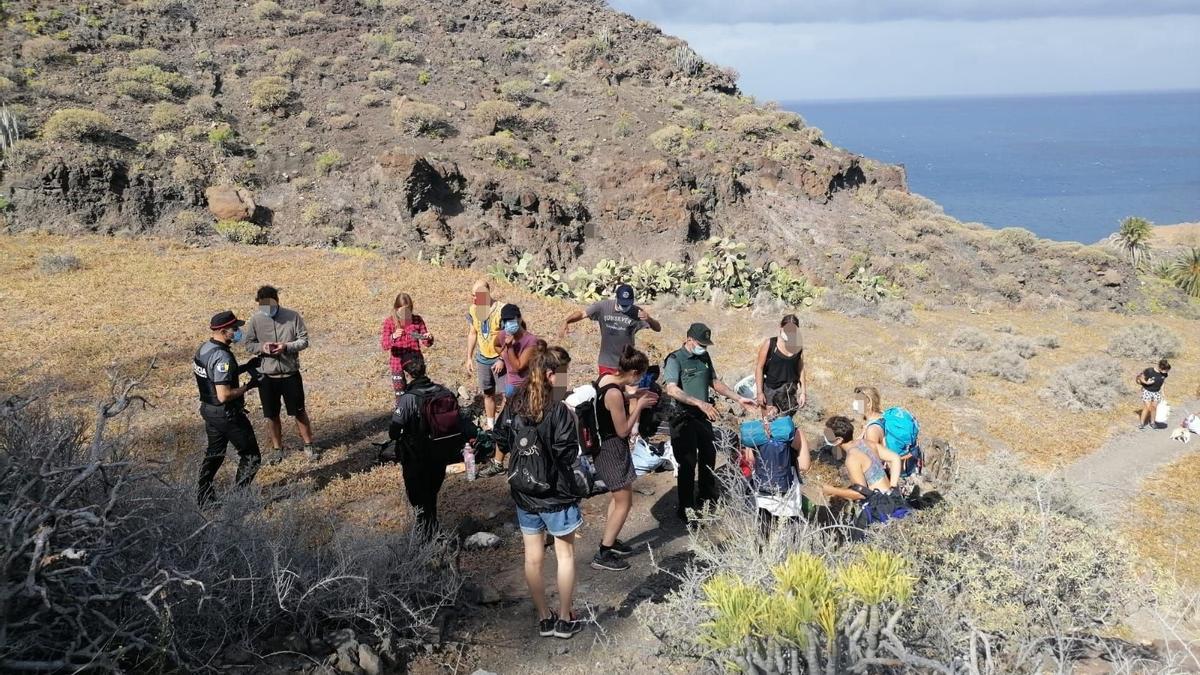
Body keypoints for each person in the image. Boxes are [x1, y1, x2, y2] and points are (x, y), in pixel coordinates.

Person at [494, 344, 587, 639]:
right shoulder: (558, 409)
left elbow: (500, 437)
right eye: (560, 376)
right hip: (556, 494)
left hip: (524, 491)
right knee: (565, 555)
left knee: (532, 558)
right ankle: (564, 617)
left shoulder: (515, 402)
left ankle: (544, 617)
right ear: (549, 375)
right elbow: (567, 452)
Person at [662, 322, 758, 526]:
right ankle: (686, 508)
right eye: (700, 344)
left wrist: (738, 398)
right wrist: (699, 403)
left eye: (706, 345)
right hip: (683, 418)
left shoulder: (704, 357)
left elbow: (714, 382)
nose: (704, 348)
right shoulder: (675, 359)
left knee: (709, 455)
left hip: (703, 417)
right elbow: (672, 389)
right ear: (689, 339)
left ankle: (706, 495)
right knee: (687, 463)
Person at [388, 353, 474, 538]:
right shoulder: (444, 391)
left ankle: (425, 537)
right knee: (431, 495)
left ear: (407, 374)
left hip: (418, 457)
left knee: (418, 500)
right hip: (442, 454)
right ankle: (433, 529)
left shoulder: (408, 399)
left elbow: (393, 431)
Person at [591, 345, 659, 572]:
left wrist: (633, 395)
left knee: (618, 497)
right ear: (635, 374)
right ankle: (604, 552)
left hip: (604, 446)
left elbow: (616, 395)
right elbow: (623, 430)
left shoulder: (607, 378)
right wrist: (638, 406)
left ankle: (611, 539)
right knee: (624, 502)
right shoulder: (613, 394)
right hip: (611, 449)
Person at [193, 311, 263, 505]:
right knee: (251, 456)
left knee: (215, 453)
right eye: (235, 329)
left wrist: (244, 366)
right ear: (223, 331)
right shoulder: (223, 357)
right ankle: (238, 499)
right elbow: (224, 395)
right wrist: (249, 386)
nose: (238, 332)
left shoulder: (204, 349)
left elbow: (213, 376)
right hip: (226, 414)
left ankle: (203, 496)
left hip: (209, 410)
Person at [243, 285, 317, 464]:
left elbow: (304, 340)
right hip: (268, 377)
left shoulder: (293, 316)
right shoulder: (255, 320)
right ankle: (278, 449)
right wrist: (263, 348)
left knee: (299, 411)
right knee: (272, 415)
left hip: (291, 374)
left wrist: (287, 347)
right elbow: (249, 345)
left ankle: (308, 445)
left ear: (277, 301)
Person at [478, 304, 541, 478]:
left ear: (519, 319)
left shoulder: (530, 341)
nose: (508, 324)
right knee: (504, 425)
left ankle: (526, 466)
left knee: (523, 427)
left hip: (526, 390)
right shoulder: (503, 335)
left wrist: (511, 347)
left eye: (511, 320)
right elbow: (495, 344)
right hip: (510, 388)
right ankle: (498, 463)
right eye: (505, 321)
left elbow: (519, 366)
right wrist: (502, 354)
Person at [558, 283, 662, 376]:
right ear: (616, 298)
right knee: (607, 391)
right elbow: (582, 314)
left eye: (627, 304)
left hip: (627, 363)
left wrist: (649, 319)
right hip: (606, 361)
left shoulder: (637, 312)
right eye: (622, 304)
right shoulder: (603, 307)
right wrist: (566, 321)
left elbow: (658, 328)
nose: (625, 307)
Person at [818, 416, 901, 502]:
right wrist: (892, 488)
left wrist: (833, 490)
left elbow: (861, 494)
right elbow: (895, 458)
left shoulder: (852, 459)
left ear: (839, 440)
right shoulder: (866, 442)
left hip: (881, 504)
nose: (825, 436)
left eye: (828, 434)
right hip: (893, 499)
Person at [380, 293, 433, 407]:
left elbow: (426, 342)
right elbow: (384, 345)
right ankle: (403, 417)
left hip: (415, 364)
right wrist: (393, 337)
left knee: (419, 391)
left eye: (408, 310)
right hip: (397, 365)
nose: (405, 314)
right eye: (402, 311)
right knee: (400, 396)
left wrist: (428, 338)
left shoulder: (417, 320)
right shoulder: (389, 322)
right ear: (396, 309)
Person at [463, 279, 503, 431]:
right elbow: (473, 333)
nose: (473, 298)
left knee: (508, 394)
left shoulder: (501, 310)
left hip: (499, 359)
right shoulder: (473, 309)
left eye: (477, 295)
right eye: (472, 295)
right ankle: (491, 424)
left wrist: (501, 359)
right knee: (488, 393)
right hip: (483, 358)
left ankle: (505, 423)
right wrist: (469, 357)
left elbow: (509, 338)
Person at [754, 314, 807, 414]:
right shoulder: (770, 344)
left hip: (790, 389)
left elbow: (801, 369)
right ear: (781, 327)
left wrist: (803, 392)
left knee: (787, 418)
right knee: (769, 420)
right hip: (771, 389)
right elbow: (759, 368)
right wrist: (759, 392)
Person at [1136, 359, 1171, 430]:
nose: (1167, 372)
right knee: (1148, 407)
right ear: (1160, 368)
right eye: (1166, 370)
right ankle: (1142, 423)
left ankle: (1152, 422)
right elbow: (1140, 377)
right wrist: (1146, 383)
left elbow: (1163, 382)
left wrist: (1163, 392)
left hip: (1156, 392)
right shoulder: (1149, 371)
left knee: (1154, 407)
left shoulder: (1164, 374)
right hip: (1147, 391)